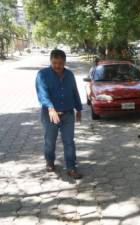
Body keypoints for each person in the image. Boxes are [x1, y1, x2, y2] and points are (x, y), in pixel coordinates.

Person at [35, 49, 83, 179]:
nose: (57, 66)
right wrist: (51, 108)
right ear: (50, 61)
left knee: (69, 142)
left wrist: (78, 109)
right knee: (50, 141)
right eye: (54, 62)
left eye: (60, 63)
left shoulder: (69, 75)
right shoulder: (42, 74)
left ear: (64, 62)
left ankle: (71, 167)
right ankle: (50, 161)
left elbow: (74, 92)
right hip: (50, 114)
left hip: (68, 114)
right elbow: (42, 93)